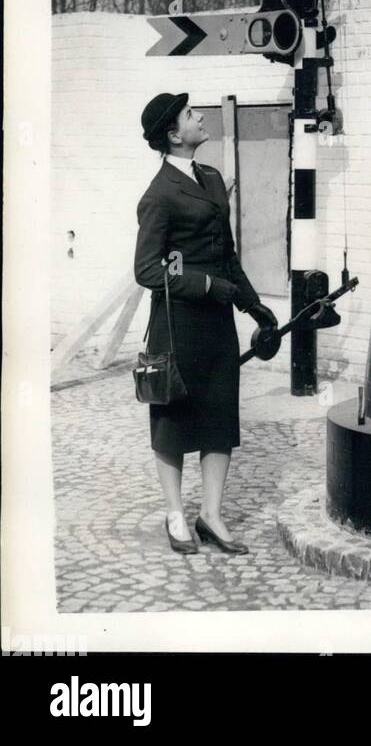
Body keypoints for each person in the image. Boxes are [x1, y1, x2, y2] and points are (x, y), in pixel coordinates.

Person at [135, 92, 277, 555]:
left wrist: (255, 307)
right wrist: (203, 286)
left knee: (219, 420)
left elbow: (228, 255)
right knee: (173, 420)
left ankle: (211, 516)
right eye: (191, 115)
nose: (199, 118)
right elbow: (148, 270)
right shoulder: (158, 195)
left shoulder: (213, 179)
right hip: (177, 325)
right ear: (175, 135)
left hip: (216, 325)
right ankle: (176, 516)